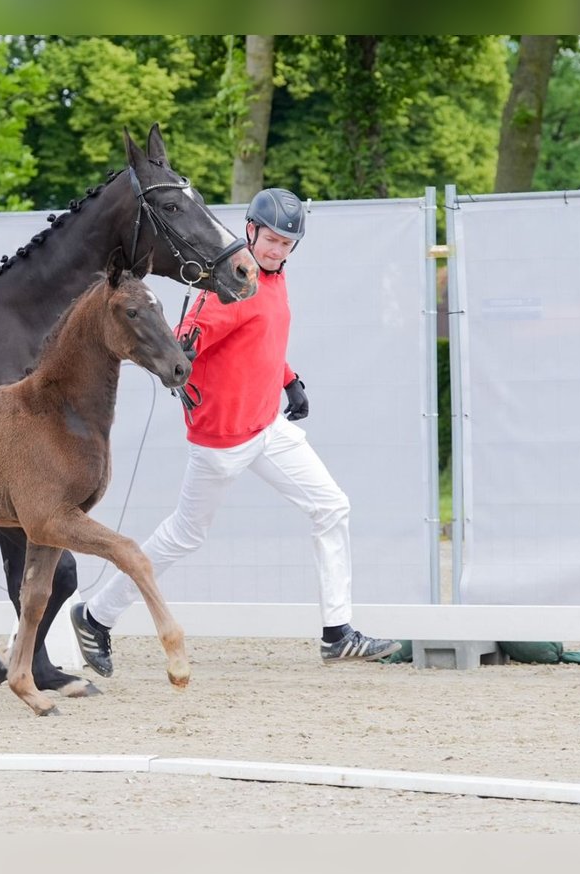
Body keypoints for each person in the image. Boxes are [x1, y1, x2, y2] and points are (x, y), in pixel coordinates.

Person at [70, 187, 399, 675]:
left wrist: (290, 380)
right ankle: (95, 615)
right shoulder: (226, 289)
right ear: (249, 231)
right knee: (185, 535)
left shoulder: (274, 278)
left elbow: (262, 338)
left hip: (268, 426)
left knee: (331, 506)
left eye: (287, 244)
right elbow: (178, 349)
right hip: (224, 439)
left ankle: (338, 633)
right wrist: (183, 365)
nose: (276, 251)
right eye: (269, 240)